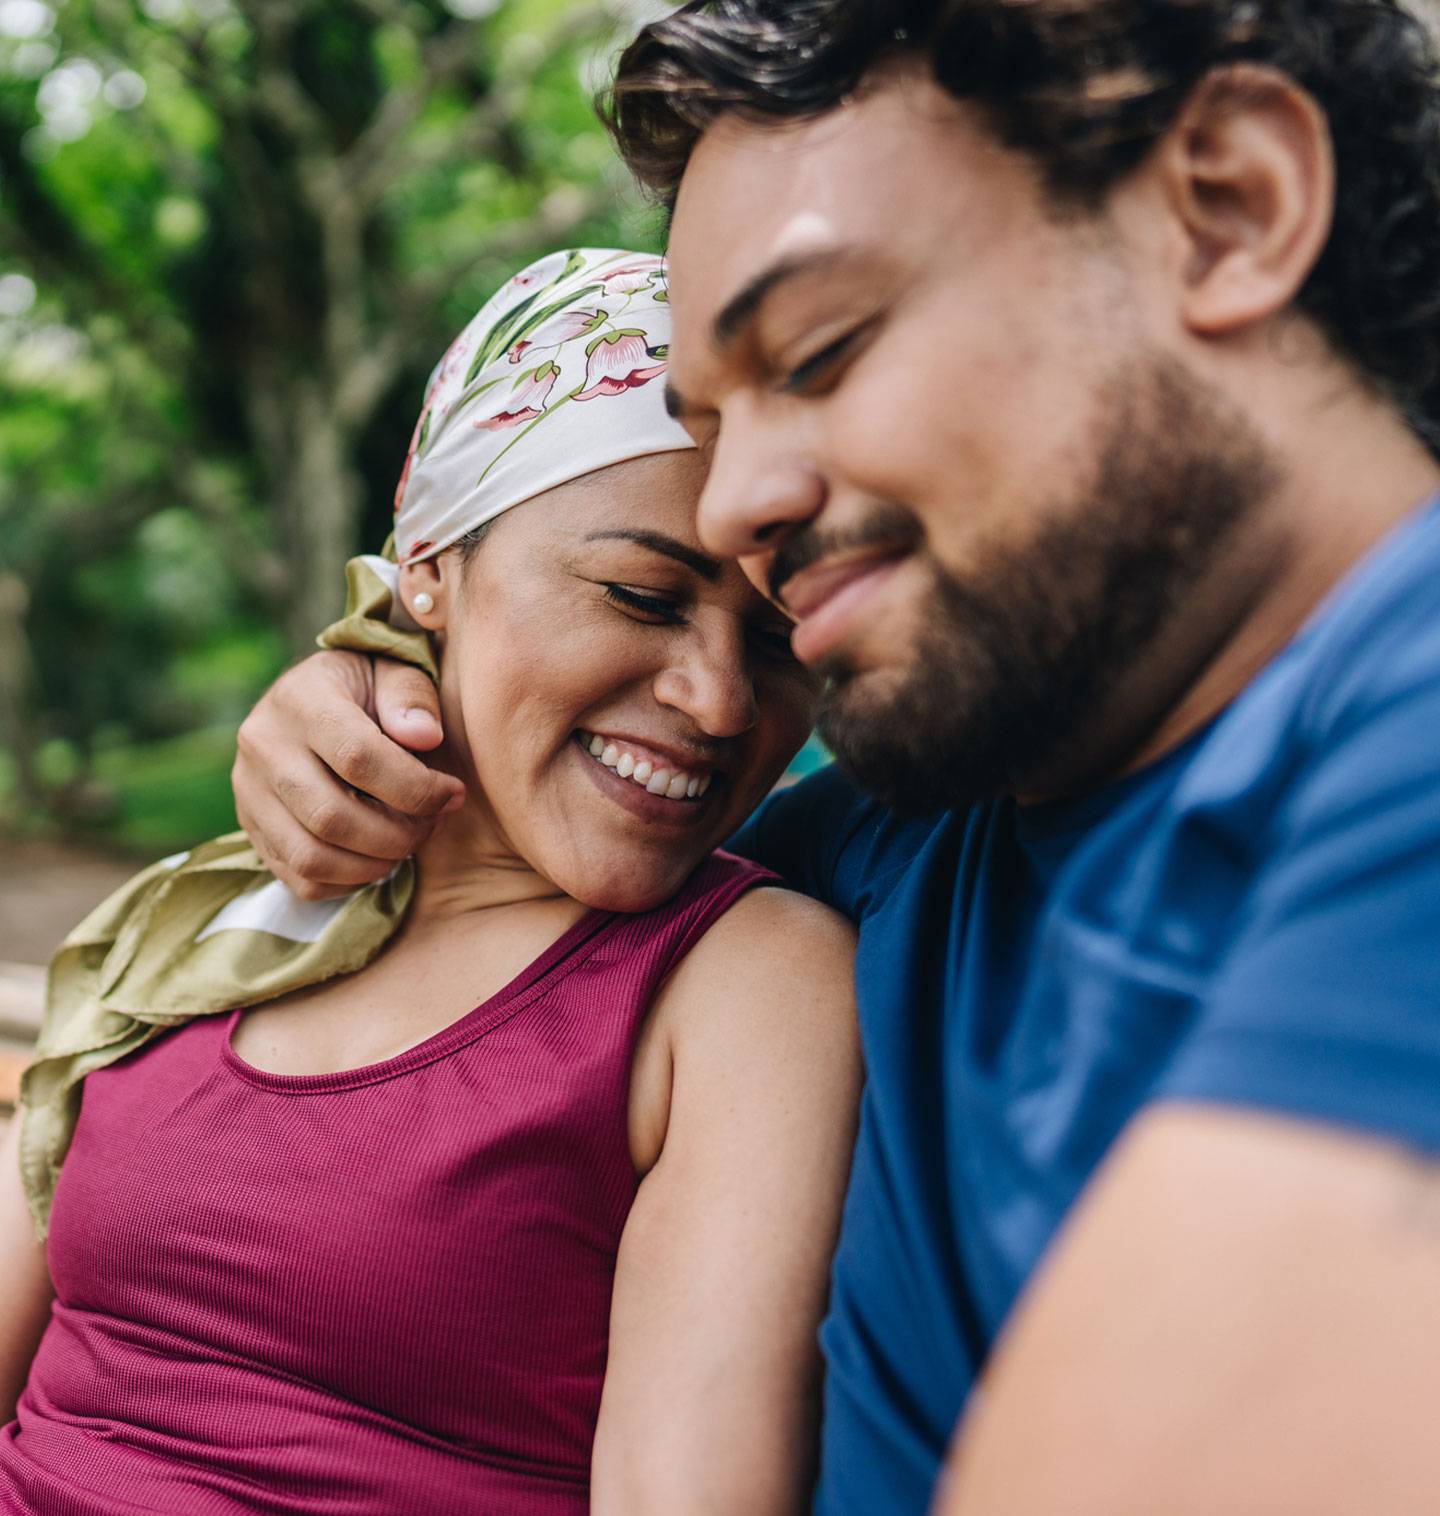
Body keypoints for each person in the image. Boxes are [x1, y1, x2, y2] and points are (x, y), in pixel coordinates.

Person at [231, 2, 1440, 1513]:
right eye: (710, 422)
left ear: (1230, 211)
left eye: (820, 348)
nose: (734, 502)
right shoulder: (894, 835)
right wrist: (372, 714)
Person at [0, 247, 861, 1515]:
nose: (722, 698)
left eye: (778, 635)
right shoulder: (223, 908)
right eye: (639, 594)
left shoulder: (742, 982)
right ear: (429, 564)